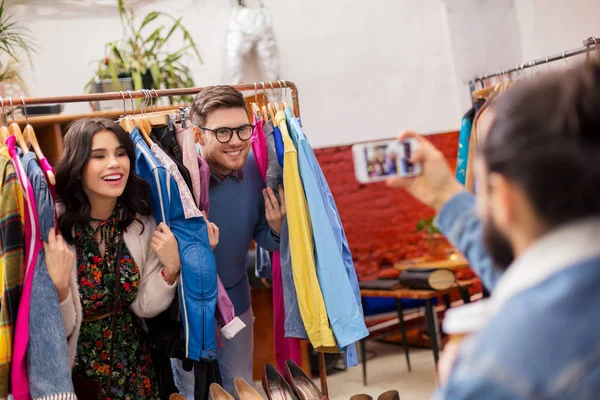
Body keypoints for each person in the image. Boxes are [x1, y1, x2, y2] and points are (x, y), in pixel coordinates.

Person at [392, 63, 600, 398]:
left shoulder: (498, 369)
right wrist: (445, 195)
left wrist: (455, 384)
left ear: (503, 197)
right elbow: (527, 274)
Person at [47, 118, 182, 398]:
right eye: (99, 156)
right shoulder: (55, 227)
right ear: (77, 166)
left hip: (135, 364)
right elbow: (58, 327)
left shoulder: (138, 221)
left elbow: (144, 306)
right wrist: (60, 289)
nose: (115, 163)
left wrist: (170, 269)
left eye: (121, 153)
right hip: (79, 371)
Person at [170, 86, 285, 398]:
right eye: (222, 132)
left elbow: (263, 237)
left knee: (239, 390)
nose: (236, 141)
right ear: (197, 134)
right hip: (188, 314)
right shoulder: (178, 178)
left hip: (237, 305)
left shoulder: (255, 168)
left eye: (242, 129)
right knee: (192, 393)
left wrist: (275, 229)